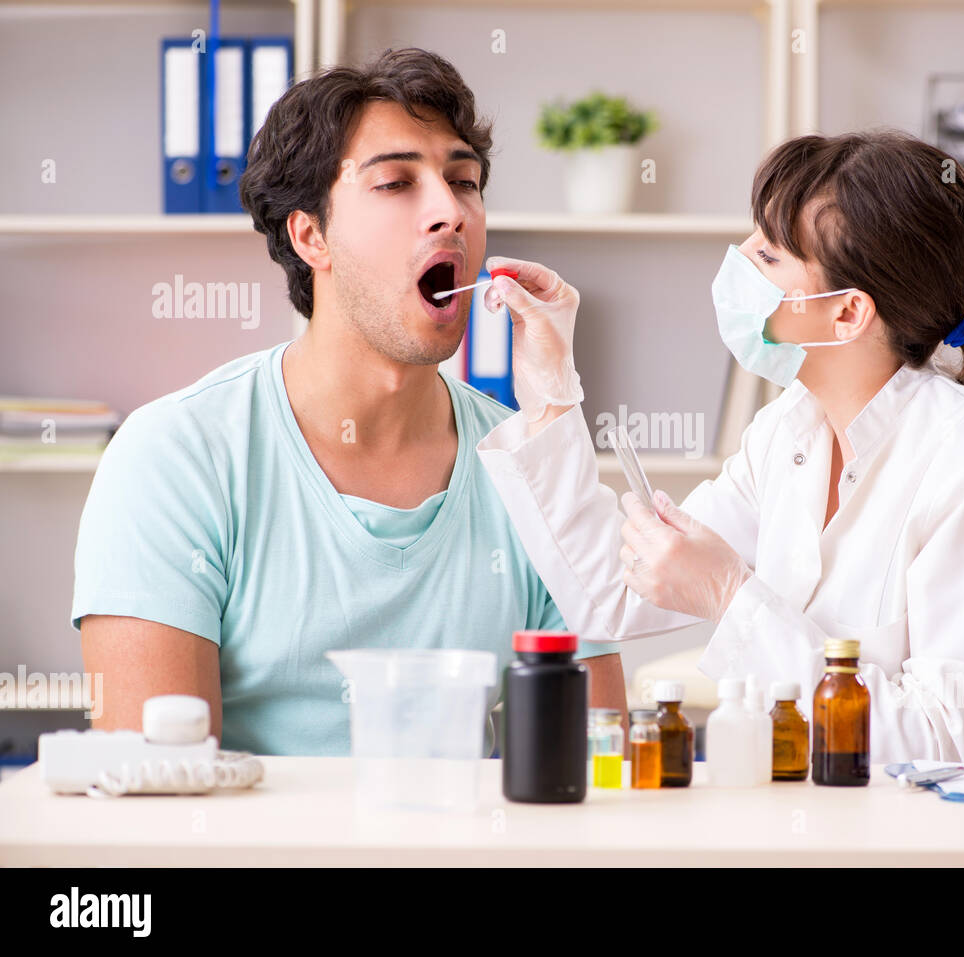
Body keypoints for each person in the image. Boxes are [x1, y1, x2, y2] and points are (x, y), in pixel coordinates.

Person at [476, 129, 964, 764]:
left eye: (769, 255)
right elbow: (609, 598)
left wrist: (730, 596)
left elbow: (949, 742)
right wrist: (550, 383)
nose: (738, 261)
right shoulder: (788, 430)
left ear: (847, 314)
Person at [72, 48, 625, 756]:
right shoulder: (173, 459)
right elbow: (159, 801)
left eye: (464, 181)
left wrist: (558, 415)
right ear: (310, 234)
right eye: (396, 182)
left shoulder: (533, 471)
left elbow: (595, 770)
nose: (449, 212)